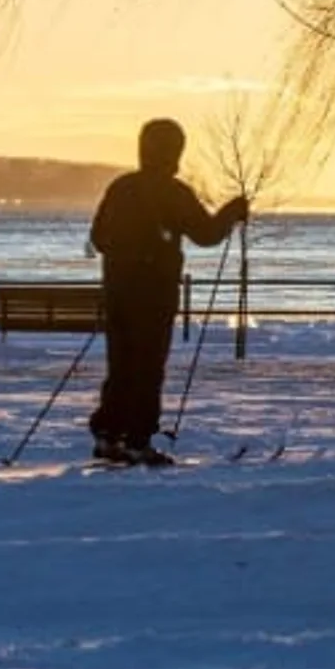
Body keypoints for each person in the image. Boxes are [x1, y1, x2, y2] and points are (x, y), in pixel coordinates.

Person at [86, 119, 248, 466]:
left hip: (117, 292)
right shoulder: (172, 192)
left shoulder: (121, 188)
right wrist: (232, 213)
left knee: (122, 365)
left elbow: (99, 238)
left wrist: (126, 252)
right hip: (154, 294)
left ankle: (108, 434)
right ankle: (137, 440)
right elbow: (205, 234)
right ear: (174, 151)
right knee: (147, 367)